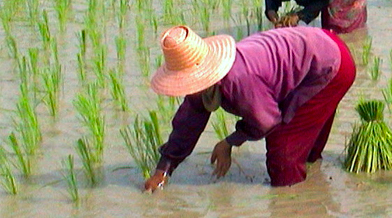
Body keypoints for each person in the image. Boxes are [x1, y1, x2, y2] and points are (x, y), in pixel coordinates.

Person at [143, 25, 356, 191]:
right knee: (302, 140)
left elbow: (267, 122)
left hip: (330, 66)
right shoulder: (202, 87)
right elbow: (188, 123)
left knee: (283, 148)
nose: (186, 89)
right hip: (323, 46)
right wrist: (163, 170)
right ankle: (313, 177)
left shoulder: (238, 79)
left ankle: (294, 201)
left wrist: (230, 142)